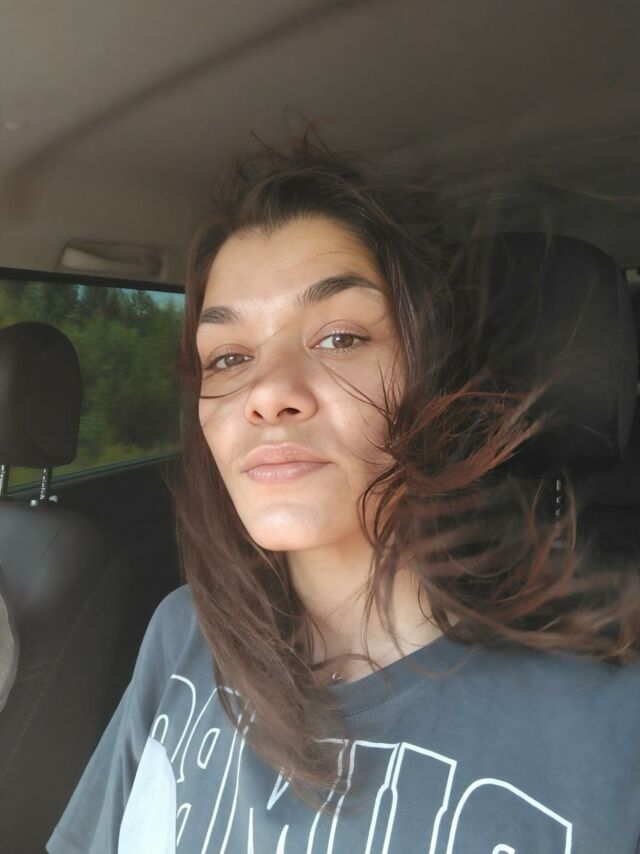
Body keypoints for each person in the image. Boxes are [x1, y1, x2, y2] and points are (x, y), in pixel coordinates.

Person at [46, 132, 640, 853]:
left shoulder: (611, 723)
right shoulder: (182, 633)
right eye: (229, 357)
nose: (267, 393)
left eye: (340, 339)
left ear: (431, 378)